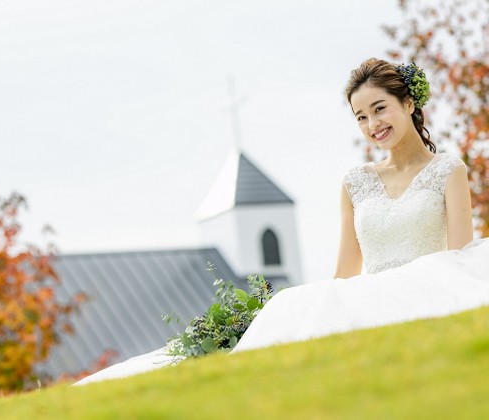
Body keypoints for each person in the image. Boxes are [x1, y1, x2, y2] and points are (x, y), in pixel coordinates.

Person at [74, 58, 489, 386]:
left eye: (379, 109)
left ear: (409, 104)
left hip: (427, 292)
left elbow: (457, 257)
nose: (372, 124)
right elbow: (345, 271)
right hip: (371, 295)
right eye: (360, 117)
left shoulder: (448, 170)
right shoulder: (356, 182)